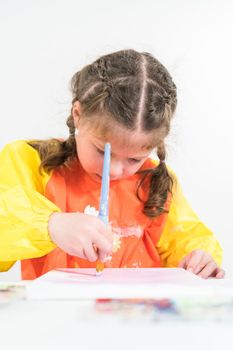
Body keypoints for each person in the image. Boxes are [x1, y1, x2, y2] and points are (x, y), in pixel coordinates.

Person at [0, 49, 224, 280]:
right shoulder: (31, 161)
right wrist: (51, 225)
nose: (115, 171)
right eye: (102, 151)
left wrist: (199, 258)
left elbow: (187, 240)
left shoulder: (155, 182)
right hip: (56, 313)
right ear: (78, 114)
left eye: (134, 159)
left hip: (140, 313)